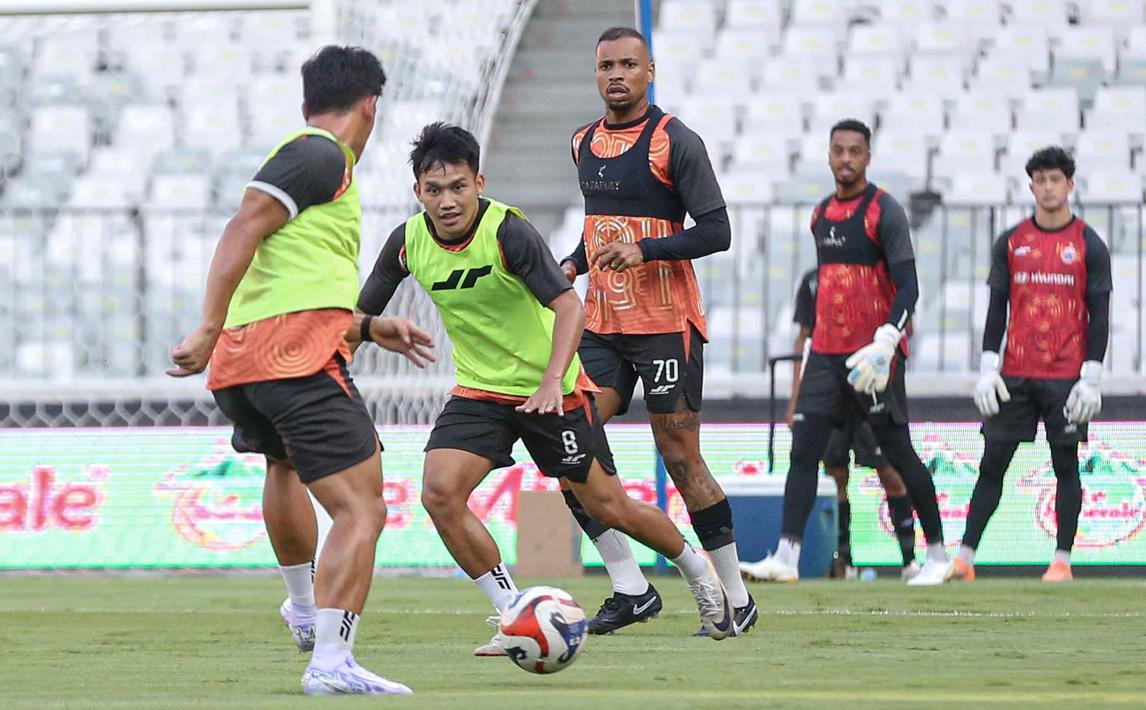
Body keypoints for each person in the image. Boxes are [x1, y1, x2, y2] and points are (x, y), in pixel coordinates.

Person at [356, 123, 735, 655]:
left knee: (609, 506)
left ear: (479, 183)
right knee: (439, 493)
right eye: (434, 190)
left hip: (551, 389)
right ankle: (513, 612)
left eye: (458, 187)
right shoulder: (406, 242)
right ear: (418, 191)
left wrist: (554, 380)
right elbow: (358, 316)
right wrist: (341, 356)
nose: (447, 201)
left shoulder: (508, 231)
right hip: (481, 392)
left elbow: (569, 305)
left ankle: (698, 573)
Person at [167, 46, 428, 696]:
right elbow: (241, 226)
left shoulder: (308, 160)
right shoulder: (320, 155)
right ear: (371, 105)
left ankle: (304, 609)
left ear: (306, 100)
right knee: (362, 509)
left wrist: (368, 327)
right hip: (293, 359)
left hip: (245, 364)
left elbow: (290, 275)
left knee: (283, 466)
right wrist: (204, 321)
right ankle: (332, 663)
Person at [558, 26, 755, 636]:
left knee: (679, 456)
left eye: (627, 64)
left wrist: (647, 251)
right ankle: (629, 586)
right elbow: (601, 230)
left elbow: (716, 230)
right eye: (605, 66)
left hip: (668, 325)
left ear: (650, 72)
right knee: (569, 443)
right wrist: (571, 263)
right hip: (602, 325)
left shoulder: (675, 142)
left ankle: (737, 598)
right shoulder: (582, 142)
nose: (615, 74)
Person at [736, 118, 951, 587]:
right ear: (829, 155)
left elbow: (909, 286)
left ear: (867, 157)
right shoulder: (821, 216)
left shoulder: (884, 211)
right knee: (802, 452)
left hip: (873, 356)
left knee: (898, 453)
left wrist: (886, 342)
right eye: (839, 151)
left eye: (855, 151)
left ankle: (936, 554)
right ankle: (787, 557)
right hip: (826, 355)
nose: (847, 159)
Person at [949, 146, 1111, 583]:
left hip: (1065, 377)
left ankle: (1062, 560)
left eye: (1055, 179)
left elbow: (1100, 313)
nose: (1048, 187)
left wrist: (1091, 376)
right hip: (1016, 373)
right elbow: (997, 306)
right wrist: (988, 366)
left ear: (1070, 185)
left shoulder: (1088, 244)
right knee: (992, 461)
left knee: (1065, 465)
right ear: (1032, 186)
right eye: (1040, 180)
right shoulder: (1013, 242)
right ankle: (964, 558)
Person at [771, 267, 919, 580]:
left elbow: (908, 324)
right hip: (830, 387)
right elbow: (804, 338)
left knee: (890, 471)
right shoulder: (813, 281)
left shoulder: (882, 274)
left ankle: (910, 560)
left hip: (868, 383)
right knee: (835, 473)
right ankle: (845, 559)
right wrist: (796, 396)